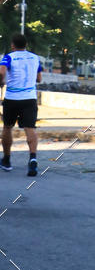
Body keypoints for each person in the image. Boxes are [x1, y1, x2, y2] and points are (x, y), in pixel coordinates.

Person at [0, 33, 42, 175]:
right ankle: (33, 159)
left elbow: (1, 72)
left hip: (12, 98)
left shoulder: (8, 57)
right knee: (30, 128)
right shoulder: (35, 58)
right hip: (29, 98)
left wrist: (1, 81)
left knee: (7, 127)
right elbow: (39, 78)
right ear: (26, 45)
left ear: (12, 45)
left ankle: (6, 160)